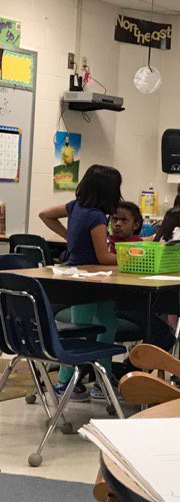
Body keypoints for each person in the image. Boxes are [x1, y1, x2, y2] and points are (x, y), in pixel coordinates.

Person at [38, 164, 123, 398]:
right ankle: (68, 383)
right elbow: (103, 257)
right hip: (88, 280)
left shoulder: (75, 207)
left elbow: (44, 214)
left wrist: (69, 237)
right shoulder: (96, 216)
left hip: (79, 275)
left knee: (102, 326)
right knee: (90, 330)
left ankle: (98, 379)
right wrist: (129, 259)